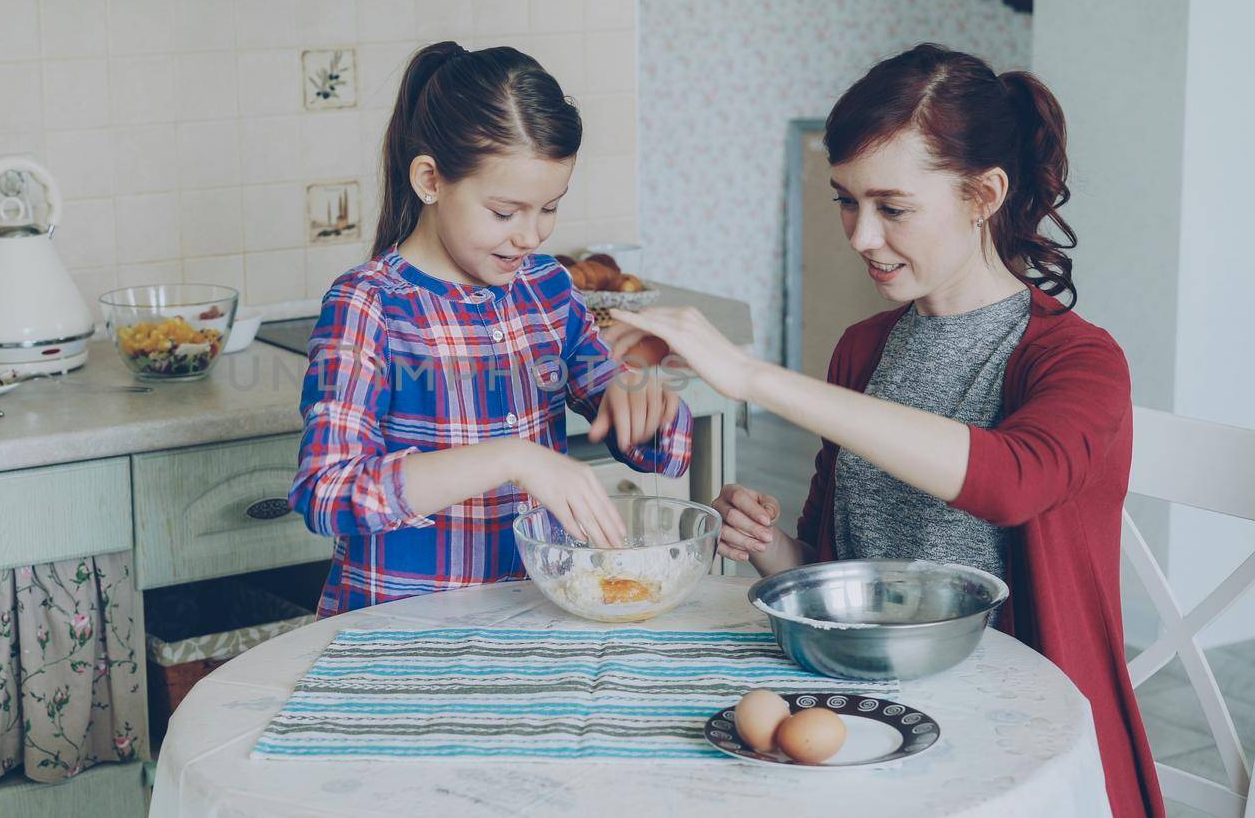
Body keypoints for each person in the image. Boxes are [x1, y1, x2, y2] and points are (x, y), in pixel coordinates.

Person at [607, 44, 1163, 816]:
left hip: (1023, 746)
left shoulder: (1077, 360)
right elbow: (842, 576)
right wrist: (771, 547)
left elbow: (1010, 482)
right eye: (845, 200)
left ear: (984, 196)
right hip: (872, 730)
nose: (861, 235)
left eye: (892, 207)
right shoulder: (863, 349)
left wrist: (755, 376)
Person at [289, 42, 693, 618]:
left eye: (549, 208)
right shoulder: (370, 305)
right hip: (403, 638)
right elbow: (327, 493)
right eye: (505, 213)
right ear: (430, 179)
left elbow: (660, 449)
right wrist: (510, 458)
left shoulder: (547, 289)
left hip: (532, 622)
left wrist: (645, 401)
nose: (530, 236)